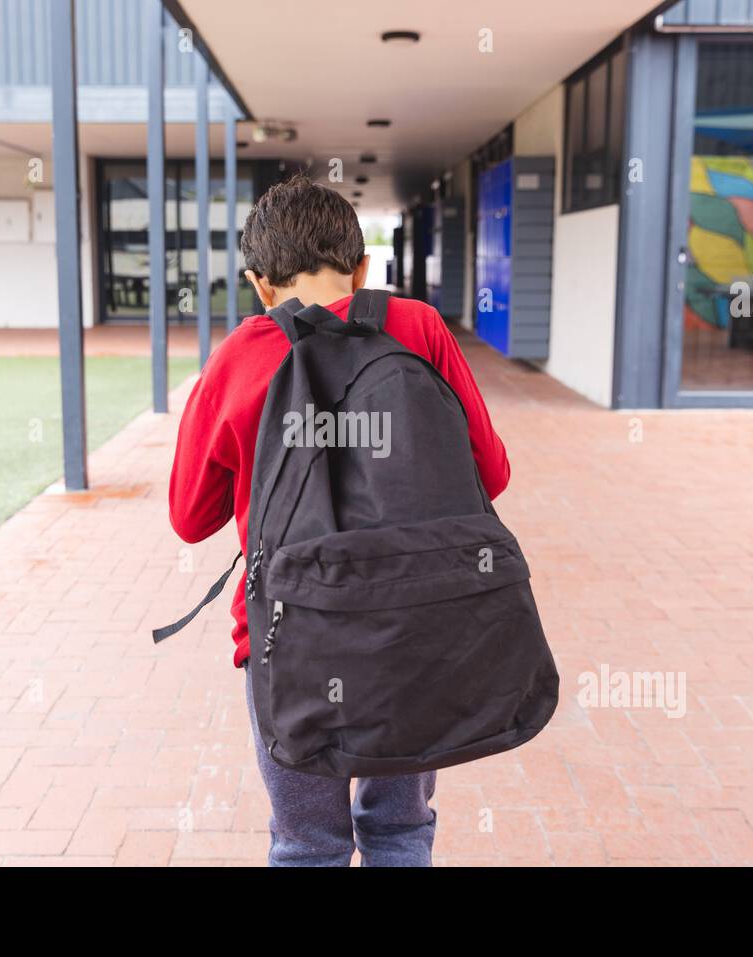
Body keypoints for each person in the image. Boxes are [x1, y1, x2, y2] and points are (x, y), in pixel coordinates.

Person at [168, 174, 510, 866]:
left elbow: (190, 516)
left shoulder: (239, 355)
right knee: (400, 832)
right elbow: (492, 474)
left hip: (286, 645)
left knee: (306, 841)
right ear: (361, 269)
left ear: (260, 284)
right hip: (413, 634)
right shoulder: (418, 326)